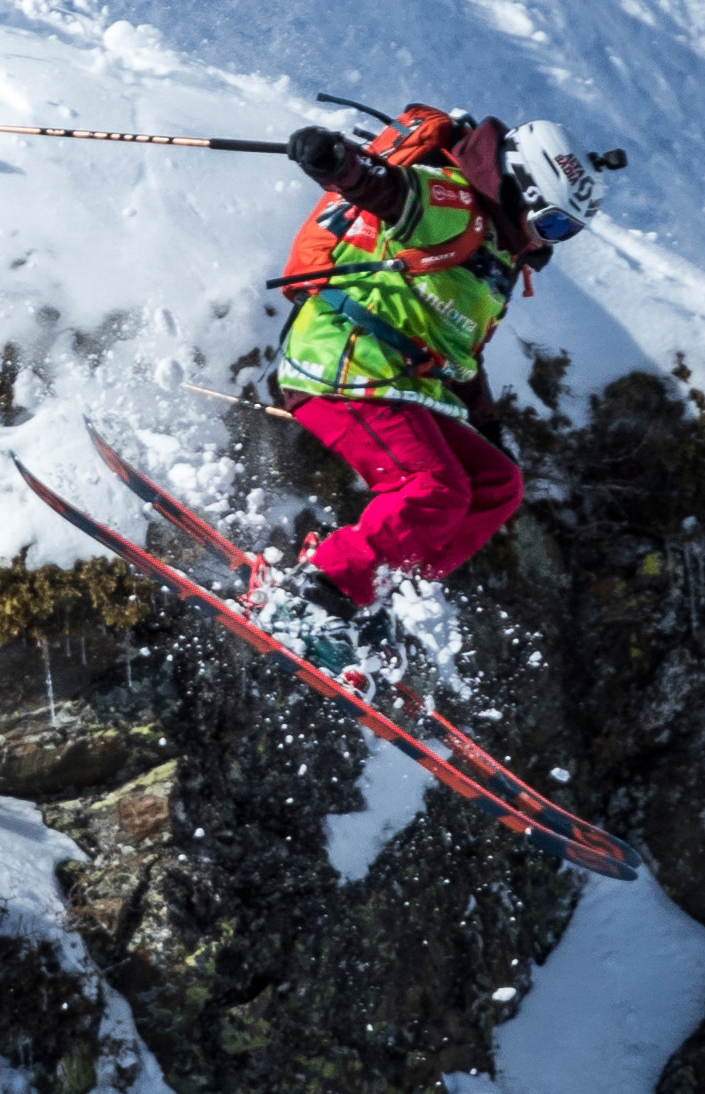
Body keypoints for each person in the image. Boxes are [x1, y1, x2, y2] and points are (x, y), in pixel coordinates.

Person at [256, 107, 603, 681]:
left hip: (398, 383)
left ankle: (374, 590)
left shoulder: (498, 262)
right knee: (432, 487)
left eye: (565, 232)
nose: (550, 240)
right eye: (553, 223)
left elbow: (461, 357)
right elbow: (387, 191)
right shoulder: (454, 203)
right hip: (342, 365)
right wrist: (337, 163)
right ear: (524, 189)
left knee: (495, 484)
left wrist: (488, 429)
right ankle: (313, 597)